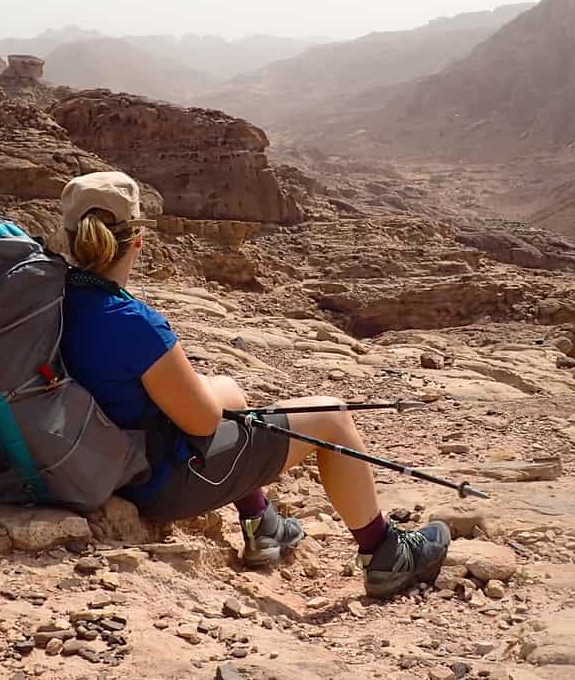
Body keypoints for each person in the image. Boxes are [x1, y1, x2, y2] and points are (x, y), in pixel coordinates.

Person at [56, 171, 450, 598]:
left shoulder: (55, 303)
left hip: (95, 462)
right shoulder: (132, 322)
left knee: (229, 393)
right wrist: (220, 390)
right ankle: (386, 551)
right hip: (157, 484)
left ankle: (264, 527)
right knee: (331, 417)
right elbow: (204, 423)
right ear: (137, 241)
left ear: (70, 238)